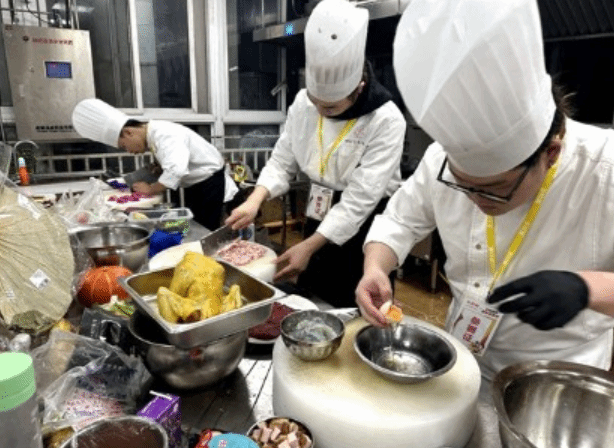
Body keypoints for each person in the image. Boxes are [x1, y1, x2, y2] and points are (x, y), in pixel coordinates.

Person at [356, 0, 614, 381]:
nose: (475, 200)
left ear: (551, 153)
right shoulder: (440, 159)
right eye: (463, 186)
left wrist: (588, 288)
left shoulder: (604, 169)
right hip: (460, 364)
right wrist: (376, 267)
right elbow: (399, 221)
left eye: (494, 190)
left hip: (554, 383)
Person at [225, 0, 406, 308]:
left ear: (359, 87)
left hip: (365, 224)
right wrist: (255, 200)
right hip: (319, 208)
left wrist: (309, 246)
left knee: (352, 304)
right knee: (311, 296)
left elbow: (359, 201)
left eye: (331, 107)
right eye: (315, 101)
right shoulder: (303, 103)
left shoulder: (386, 120)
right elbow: (283, 158)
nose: (320, 111)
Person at [72, 98, 238, 230]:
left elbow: (176, 171)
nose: (129, 151)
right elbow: (173, 163)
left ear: (128, 132)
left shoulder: (164, 134)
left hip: (209, 184)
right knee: (192, 225)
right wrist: (158, 168)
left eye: (124, 146)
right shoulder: (153, 136)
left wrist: (150, 189)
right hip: (196, 184)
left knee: (204, 228)